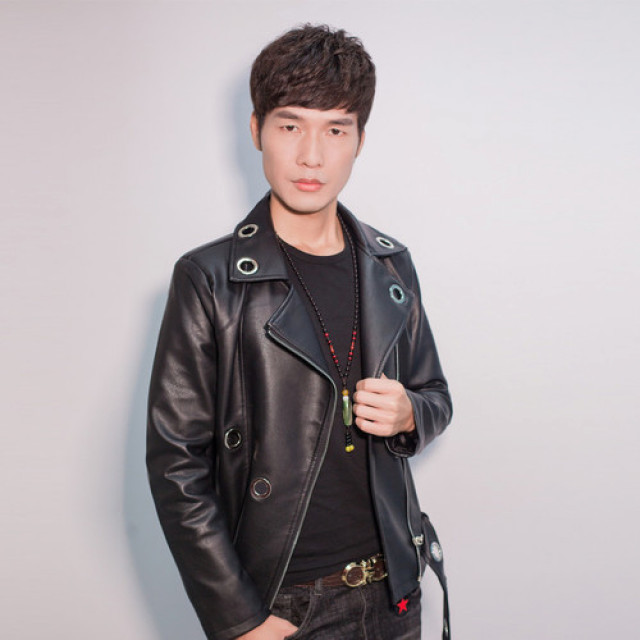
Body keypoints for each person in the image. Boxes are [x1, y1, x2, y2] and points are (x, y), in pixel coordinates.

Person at [147, 24, 452, 640]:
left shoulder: (390, 264)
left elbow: (436, 396)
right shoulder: (210, 279)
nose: (312, 155)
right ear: (256, 129)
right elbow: (176, 464)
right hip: (284, 606)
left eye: (336, 130)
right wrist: (240, 620)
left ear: (360, 140)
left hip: (395, 592)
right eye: (291, 126)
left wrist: (409, 413)